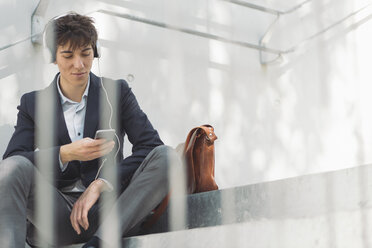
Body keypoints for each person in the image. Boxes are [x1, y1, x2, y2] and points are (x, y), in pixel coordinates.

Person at [0, 12, 180, 248]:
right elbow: (13, 161)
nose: (79, 64)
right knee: (14, 167)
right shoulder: (33, 104)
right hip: (58, 219)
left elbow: (150, 146)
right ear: (52, 58)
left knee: (167, 157)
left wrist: (101, 183)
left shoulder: (117, 92)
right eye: (68, 55)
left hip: (113, 212)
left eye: (86, 53)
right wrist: (64, 153)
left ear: (95, 52)